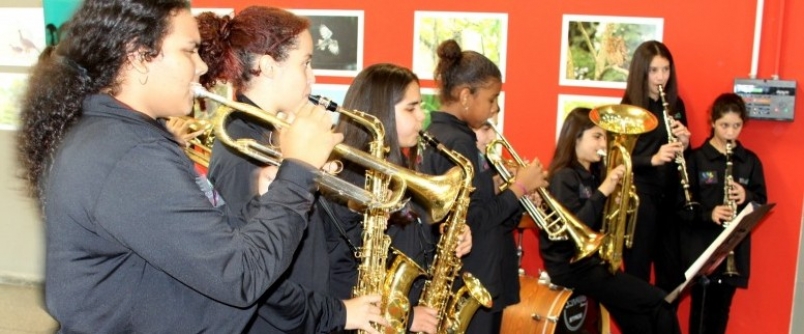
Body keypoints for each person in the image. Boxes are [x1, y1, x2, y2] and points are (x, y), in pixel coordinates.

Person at [16, 1, 342, 332]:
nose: (202, 66)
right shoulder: (128, 153)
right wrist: (297, 172)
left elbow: (211, 250)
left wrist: (268, 195)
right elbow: (241, 276)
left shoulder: (120, 137)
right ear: (138, 56)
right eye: (189, 51)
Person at [196, 7, 383, 333]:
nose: (312, 77)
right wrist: (338, 313)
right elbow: (257, 279)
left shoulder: (274, 135)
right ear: (268, 66)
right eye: (306, 62)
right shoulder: (242, 149)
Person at [328, 63, 473, 334]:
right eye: (411, 107)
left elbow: (409, 240)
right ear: (379, 113)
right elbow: (338, 275)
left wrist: (450, 234)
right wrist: (403, 314)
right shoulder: (346, 180)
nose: (422, 116)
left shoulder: (403, 171)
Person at [418, 39, 546, 333]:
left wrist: (502, 187)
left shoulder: (443, 133)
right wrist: (520, 189)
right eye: (491, 99)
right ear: (465, 96)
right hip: (476, 274)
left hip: (477, 270)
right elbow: (473, 218)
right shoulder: (459, 140)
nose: (496, 107)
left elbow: (479, 204)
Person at [541, 107, 681, 334]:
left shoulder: (594, 174)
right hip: (571, 267)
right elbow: (572, 231)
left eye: (605, 137)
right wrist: (604, 191)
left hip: (594, 264)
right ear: (575, 137)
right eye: (596, 137)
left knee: (641, 322)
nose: (603, 144)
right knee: (660, 301)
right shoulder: (564, 176)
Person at [681, 93, 767, 334]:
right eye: (724, 125)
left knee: (721, 316)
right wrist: (710, 214)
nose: (730, 132)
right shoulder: (697, 159)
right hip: (703, 251)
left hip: (734, 253)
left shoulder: (749, 161)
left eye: (737, 126)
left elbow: (762, 204)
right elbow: (683, 208)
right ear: (712, 122)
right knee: (700, 316)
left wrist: (747, 196)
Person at [620, 40, 692, 293]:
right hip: (641, 201)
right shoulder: (628, 107)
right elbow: (618, 160)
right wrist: (652, 158)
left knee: (673, 277)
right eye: (654, 71)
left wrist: (684, 142)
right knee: (637, 275)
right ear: (642, 72)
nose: (661, 77)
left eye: (666, 69)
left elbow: (684, 158)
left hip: (669, 201)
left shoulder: (675, 104)